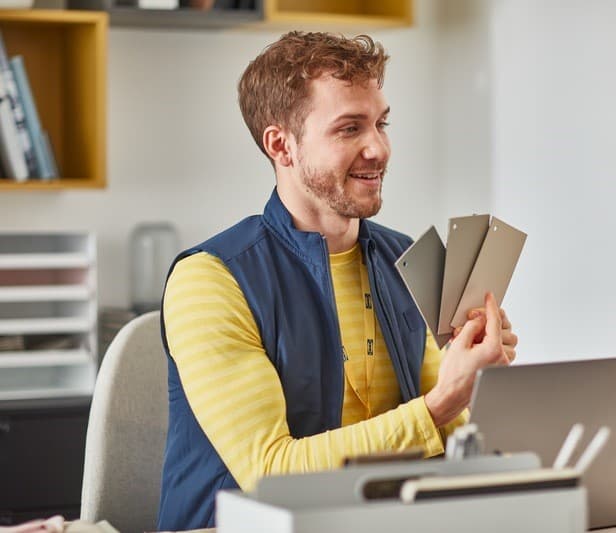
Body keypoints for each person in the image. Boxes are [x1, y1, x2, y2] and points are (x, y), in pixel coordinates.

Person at [156, 31, 518, 531]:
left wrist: (479, 378)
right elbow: (269, 474)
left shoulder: (408, 258)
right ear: (280, 144)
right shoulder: (210, 280)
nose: (378, 148)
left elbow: (453, 447)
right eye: (350, 129)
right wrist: (438, 405)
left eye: (380, 123)